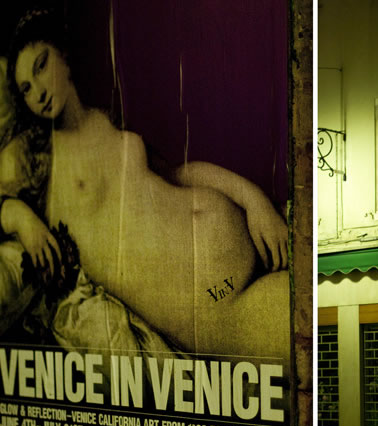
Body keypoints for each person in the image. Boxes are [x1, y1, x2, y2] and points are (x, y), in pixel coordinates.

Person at [6, 9, 289, 360]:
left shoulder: (105, 118)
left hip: (256, 234)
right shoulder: (34, 158)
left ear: (63, 55)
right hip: (222, 308)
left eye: (41, 65)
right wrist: (19, 217)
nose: (38, 92)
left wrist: (253, 200)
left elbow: (177, 175)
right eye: (25, 89)